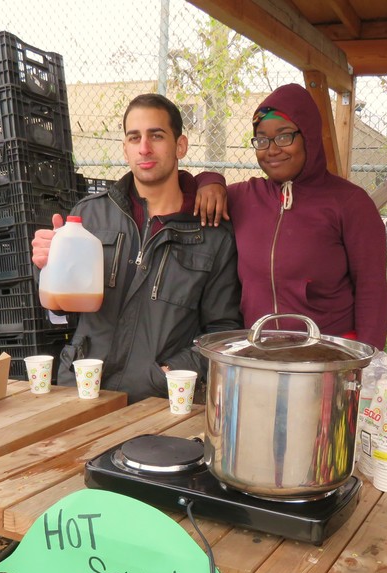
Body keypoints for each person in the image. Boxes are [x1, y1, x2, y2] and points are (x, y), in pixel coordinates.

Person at [30, 93, 242, 403]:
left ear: (180, 145)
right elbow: (59, 309)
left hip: (155, 399)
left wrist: (171, 371)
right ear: (125, 148)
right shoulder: (89, 215)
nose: (144, 147)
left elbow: (223, 332)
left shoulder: (211, 234)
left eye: (156, 135)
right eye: (134, 137)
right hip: (81, 386)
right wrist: (47, 268)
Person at [196, 83, 387, 350]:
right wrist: (209, 180)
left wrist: (368, 361)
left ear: (308, 136)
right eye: (262, 139)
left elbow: (372, 289)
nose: (272, 149)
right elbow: (180, 191)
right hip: (260, 353)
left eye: (284, 136)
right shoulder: (244, 198)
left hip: (328, 356)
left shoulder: (349, 203)